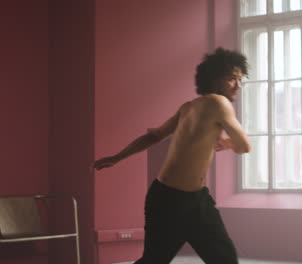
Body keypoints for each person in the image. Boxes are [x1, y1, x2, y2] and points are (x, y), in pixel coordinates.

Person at [93, 48, 250, 264]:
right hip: (173, 201)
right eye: (232, 78)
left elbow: (154, 137)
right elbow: (244, 146)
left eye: (241, 79)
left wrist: (117, 158)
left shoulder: (188, 108)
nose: (238, 85)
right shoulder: (219, 103)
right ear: (214, 79)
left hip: (182, 198)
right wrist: (229, 142)